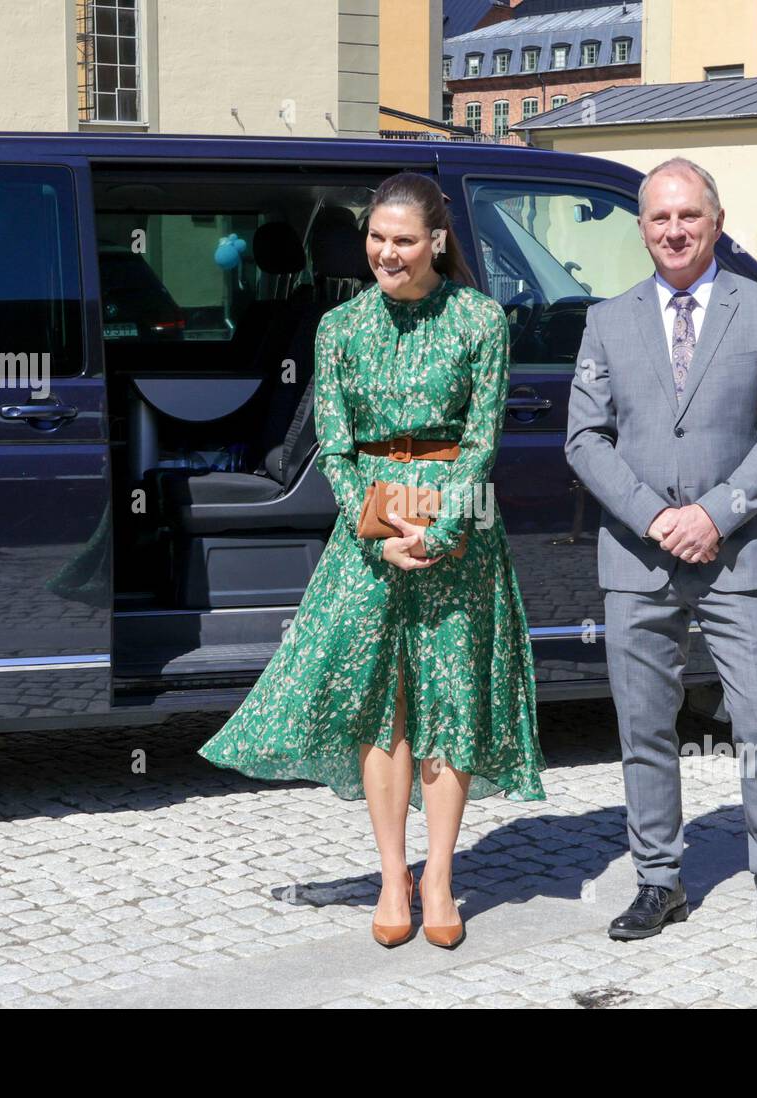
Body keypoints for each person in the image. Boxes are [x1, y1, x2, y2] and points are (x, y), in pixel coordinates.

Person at [198, 171, 546, 951]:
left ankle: (441, 876)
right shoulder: (340, 328)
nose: (388, 253)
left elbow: (483, 439)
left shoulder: (480, 321)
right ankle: (394, 871)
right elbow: (338, 444)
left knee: (451, 700)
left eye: (404, 240)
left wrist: (441, 528)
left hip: (457, 534)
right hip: (369, 534)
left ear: (437, 243)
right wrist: (380, 529)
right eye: (378, 238)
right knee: (381, 705)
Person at [564, 156, 757, 959]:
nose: (673, 231)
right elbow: (584, 438)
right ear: (641, 228)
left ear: (716, 221)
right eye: (658, 219)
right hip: (638, 559)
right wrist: (654, 518)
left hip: (740, 557)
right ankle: (658, 879)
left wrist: (715, 515)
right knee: (644, 725)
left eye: (688, 217)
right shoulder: (606, 320)